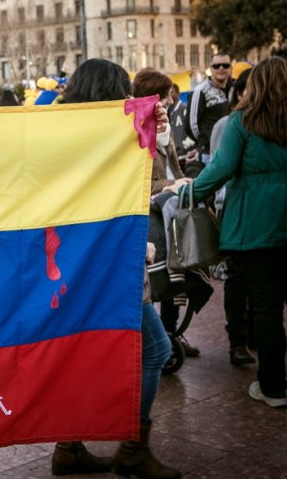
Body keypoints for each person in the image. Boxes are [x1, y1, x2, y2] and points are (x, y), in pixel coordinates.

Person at [52, 59, 180, 479]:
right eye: (122, 91)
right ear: (108, 93)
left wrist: (154, 119)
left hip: (72, 265)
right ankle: (132, 450)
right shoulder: (106, 138)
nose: (128, 99)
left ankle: (69, 448)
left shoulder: (62, 134)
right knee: (156, 349)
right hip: (111, 264)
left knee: (80, 354)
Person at [169, 57, 287, 408]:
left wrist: (187, 193)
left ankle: (273, 387)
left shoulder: (242, 122)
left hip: (257, 226)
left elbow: (219, 169)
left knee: (266, 308)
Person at [132, 69, 202, 359]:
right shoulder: (137, 130)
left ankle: (171, 333)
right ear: (155, 98)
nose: (172, 101)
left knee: (178, 275)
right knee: (157, 279)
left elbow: (175, 167)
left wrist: (183, 181)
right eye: (167, 96)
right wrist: (176, 183)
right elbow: (142, 183)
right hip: (152, 216)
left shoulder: (165, 128)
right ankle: (157, 340)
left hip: (173, 210)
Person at [208, 68, 256, 366]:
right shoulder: (229, 124)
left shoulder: (270, 121)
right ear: (238, 93)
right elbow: (218, 167)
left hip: (259, 210)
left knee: (261, 280)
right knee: (237, 278)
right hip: (233, 208)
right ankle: (238, 341)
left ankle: (253, 335)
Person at [188, 52, 232, 164]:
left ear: (231, 68)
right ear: (210, 69)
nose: (221, 68)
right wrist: (206, 142)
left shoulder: (234, 90)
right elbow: (191, 125)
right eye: (216, 66)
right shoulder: (200, 91)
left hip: (232, 150)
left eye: (225, 65)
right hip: (209, 154)